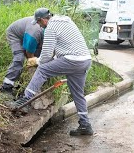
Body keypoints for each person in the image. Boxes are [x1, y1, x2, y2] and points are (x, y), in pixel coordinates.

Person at [10, 8, 93, 136]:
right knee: (77, 93)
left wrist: (36, 61)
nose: (39, 26)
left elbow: (46, 56)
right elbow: (64, 48)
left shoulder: (50, 28)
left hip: (72, 60)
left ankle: (24, 99)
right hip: (85, 60)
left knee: (42, 70)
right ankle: (85, 125)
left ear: (43, 20)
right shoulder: (67, 21)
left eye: (38, 23)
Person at [0, 16, 44, 94]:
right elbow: (29, 53)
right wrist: (32, 61)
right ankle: (7, 86)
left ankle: (23, 82)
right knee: (19, 58)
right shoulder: (35, 33)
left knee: (39, 57)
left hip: (27, 34)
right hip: (15, 35)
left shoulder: (50, 33)